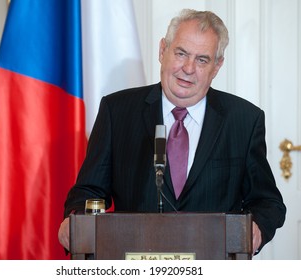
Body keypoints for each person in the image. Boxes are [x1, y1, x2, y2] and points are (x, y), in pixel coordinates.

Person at [58, 9, 286, 255]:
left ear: (217, 66)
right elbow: (89, 192)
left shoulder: (244, 120)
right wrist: (76, 221)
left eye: (202, 59)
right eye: (181, 53)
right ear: (162, 50)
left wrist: (257, 229)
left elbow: (267, 202)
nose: (188, 68)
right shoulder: (117, 111)